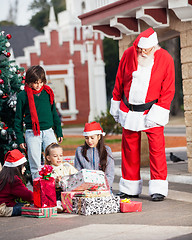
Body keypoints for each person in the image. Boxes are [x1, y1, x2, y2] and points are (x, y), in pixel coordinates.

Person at [110, 28, 175, 201]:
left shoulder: (165, 58)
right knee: (129, 149)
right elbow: (119, 80)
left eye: (145, 50)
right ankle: (130, 187)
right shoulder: (129, 53)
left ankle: (158, 189)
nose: (141, 52)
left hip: (153, 110)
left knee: (157, 150)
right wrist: (116, 103)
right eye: (139, 48)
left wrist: (159, 110)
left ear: (153, 47)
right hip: (129, 109)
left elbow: (168, 89)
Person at [14, 65, 63, 180]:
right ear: (29, 81)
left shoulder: (48, 92)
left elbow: (54, 113)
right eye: (35, 83)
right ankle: (39, 190)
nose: (38, 85)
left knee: (55, 160)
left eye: (41, 82)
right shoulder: (22, 96)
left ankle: (56, 188)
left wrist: (59, 131)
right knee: (35, 164)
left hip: (49, 131)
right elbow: (18, 119)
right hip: (32, 133)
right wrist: (20, 139)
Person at [74, 121, 115, 191]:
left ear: (99, 137)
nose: (89, 141)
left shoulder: (107, 150)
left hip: (103, 188)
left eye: (92, 138)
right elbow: (77, 172)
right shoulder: (80, 151)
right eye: (87, 138)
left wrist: (101, 188)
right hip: (86, 189)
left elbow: (110, 174)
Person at [0, 149, 33, 217]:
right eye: (23, 166)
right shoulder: (14, 180)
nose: (25, 169)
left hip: (5, 205)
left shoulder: (4, 175)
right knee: (29, 208)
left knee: (22, 205)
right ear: (16, 168)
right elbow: (27, 195)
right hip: (4, 209)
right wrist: (40, 200)